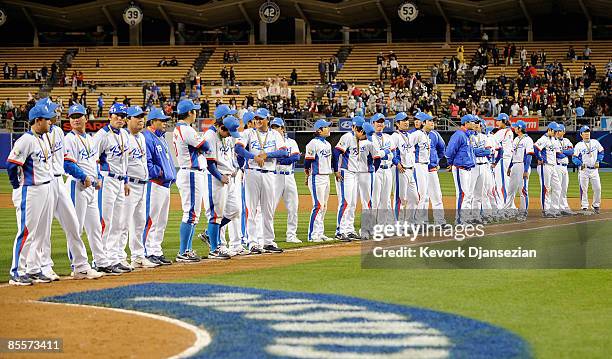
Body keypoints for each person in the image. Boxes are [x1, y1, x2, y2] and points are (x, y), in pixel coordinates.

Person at [36, 99, 102, 281]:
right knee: (44, 227)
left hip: (59, 183)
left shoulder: (57, 132)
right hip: (47, 183)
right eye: (51, 112)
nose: (55, 115)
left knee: (73, 225)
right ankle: (44, 266)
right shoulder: (33, 138)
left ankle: (81, 267)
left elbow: (65, 159)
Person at [6, 104, 55, 285]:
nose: (50, 122)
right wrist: (16, 185)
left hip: (45, 188)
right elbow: (12, 163)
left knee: (40, 233)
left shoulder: (42, 138)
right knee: (26, 231)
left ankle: (33, 269)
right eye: (47, 119)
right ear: (38, 121)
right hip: (31, 189)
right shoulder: (25, 140)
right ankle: (17, 271)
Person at [64, 103, 111, 277]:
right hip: (77, 185)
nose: (76, 119)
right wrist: (85, 177)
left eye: (79, 116)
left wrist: (98, 177)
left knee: (95, 227)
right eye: (72, 117)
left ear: (86, 117)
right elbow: (67, 164)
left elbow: (93, 163)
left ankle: (101, 261)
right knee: (76, 227)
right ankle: (77, 266)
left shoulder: (90, 139)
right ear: (69, 120)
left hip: (90, 187)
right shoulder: (69, 139)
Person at [235, 107, 288, 254]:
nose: (257, 121)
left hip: (270, 173)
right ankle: (252, 242)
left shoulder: (275, 135)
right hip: (252, 172)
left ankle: (268, 241)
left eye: (260, 118)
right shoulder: (248, 133)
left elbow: (284, 152)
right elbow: (238, 149)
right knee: (251, 209)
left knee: (268, 209)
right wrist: (254, 157)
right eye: (256, 119)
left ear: (267, 119)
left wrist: (267, 154)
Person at [93, 103, 132, 274]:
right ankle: (100, 259)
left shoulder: (125, 134)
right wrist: (98, 178)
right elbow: (93, 159)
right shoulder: (102, 135)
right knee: (105, 220)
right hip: (107, 181)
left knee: (118, 222)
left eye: (123, 116)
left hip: (120, 181)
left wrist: (125, 180)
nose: (120, 119)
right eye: (117, 116)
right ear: (110, 116)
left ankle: (114, 258)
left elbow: (125, 161)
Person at [121, 106, 158, 268]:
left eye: (142, 117)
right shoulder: (123, 137)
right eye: (137, 117)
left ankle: (137, 256)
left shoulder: (141, 137)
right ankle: (119, 257)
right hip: (130, 185)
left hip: (143, 184)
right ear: (128, 120)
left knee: (139, 222)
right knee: (123, 222)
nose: (141, 120)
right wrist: (124, 181)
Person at [202, 112, 243, 260]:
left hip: (228, 177)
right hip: (216, 178)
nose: (228, 135)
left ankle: (209, 233)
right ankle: (214, 248)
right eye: (227, 131)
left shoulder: (225, 136)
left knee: (235, 210)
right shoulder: (210, 136)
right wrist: (220, 176)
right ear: (219, 126)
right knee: (215, 215)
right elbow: (209, 163)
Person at [173, 99, 209, 262]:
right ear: (189, 113)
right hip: (191, 173)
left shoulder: (182, 128)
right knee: (190, 213)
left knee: (194, 214)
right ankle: (183, 251)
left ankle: (186, 249)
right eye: (194, 111)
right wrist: (201, 146)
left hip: (192, 173)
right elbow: (206, 145)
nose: (196, 113)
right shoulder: (185, 129)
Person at [142, 107, 176, 265]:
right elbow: (147, 162)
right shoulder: (147, 137)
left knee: (161, 221)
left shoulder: (161, 137)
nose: (165, 123)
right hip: (154, 184)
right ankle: (147, 251)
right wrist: (159, 172)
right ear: (152, 122)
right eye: (161, 120)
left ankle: (156, 250)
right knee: (151, 219)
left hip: (165, 185)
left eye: (165, 120)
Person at [271, 118, 301, 243]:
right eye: (272, 127)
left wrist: (282, 160)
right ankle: (267, 237)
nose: (274, 129)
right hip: (275, 176)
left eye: (276, 127)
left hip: (289, 176)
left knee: (293, 208)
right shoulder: (270, 142)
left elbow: (296, 156)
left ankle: (291, 235)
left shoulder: (291, 142)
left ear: (282, 128)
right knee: (270, 208)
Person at [304, 119, 333, 242]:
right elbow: (307, 161)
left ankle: (320, 232)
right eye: (326, 127)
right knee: (318, 205)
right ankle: (312, 235)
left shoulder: (327, 144)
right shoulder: (313, 143)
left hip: (326, 176)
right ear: (319, 130)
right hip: (317, 176)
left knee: (324, 206)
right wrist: (307, 174)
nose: (329, 129)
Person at [445, 114, 477, 224]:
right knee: (462, 194)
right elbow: (449, 152)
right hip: (460, 168)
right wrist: (450, 163)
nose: (474, 124)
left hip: (467, 168)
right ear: (466, 123)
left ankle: (465, 218)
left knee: (468, 194)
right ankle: (460, 220)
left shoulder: (467, 135)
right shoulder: (459, 135)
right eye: (472, 122)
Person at [391, 112, 418, 223]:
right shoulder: (395, 136)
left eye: (407, 120)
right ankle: (398, 224)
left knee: (415, 198)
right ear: (397, 123)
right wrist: (397, 163)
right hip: (401, 170)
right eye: (403, 120)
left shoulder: (410, 136)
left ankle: (409, 222)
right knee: (400, 199)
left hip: (411, 169)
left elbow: (412, 152)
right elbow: (392, 152)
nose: (406, 122)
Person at [505, 120, 534, 221]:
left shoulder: (528, 140)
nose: (514, 128)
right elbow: (513, 155)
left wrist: (526, 170)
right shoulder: (516, 139)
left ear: (520, 128)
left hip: (522, 165)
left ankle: (523, 213)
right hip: (515, 165)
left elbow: (529, 156)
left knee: (523, 190)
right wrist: (509, 167)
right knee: (511, 189)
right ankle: (507, 210)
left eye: (516, 127)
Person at [369, 113, 394, 227]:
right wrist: (385, 152)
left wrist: (384, 154)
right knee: (374, 200)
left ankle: (382, 225)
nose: (380, 124)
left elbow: (392, 154)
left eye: (382, 122)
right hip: (376, 170)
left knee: (385, 200)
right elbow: (375, 155)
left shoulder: (388, 137)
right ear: (372, 123)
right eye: (377, 121)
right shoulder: (370, 138)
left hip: (387, 170)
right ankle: (371, 225)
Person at [572, 126, 604, 214]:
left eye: (588, 132)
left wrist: (598, 160)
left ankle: (595, 205)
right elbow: (574, 158)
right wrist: (580, 163)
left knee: (598, 188)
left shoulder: (595, 142)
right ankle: (584, 206)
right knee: (584, 189)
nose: (587, 134)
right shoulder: (579, 145)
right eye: (585, 132)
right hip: (584, 170)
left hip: (594, 170)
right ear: (581, 134)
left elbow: (601, 152)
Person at [534, 122, 562, 218]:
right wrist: (540, 158)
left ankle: (554, 209)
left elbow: (558, 153)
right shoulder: (543, 139)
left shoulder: (554, 140)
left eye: (557, 131)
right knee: (546, 188)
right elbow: (536, 148)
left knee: (558, 187)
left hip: (553, 166)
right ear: (549, 130)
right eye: (555, 131)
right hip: (545, 166)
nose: (556, 133)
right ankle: (546, 210)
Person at [410, 112, 433, 224]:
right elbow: (407, 147)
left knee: (425, 195)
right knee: (421, 194)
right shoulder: (417, 134)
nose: (432, 123)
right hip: (418, 165)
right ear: (424, 123)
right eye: (430, 121)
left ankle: (422, 219)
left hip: (425, 166)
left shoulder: (426, 135)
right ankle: (416, 220)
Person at [493, 113, 514, 212]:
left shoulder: (503, 131)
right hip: (506, 159)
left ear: (504, 121)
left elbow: (491, 141)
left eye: (498, 120)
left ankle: (505, 207)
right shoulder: (510, 131)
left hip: (502, 159)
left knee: (501, 183)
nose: (496, 122)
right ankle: (510, 205)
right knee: (506, 182)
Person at [554, 124, 576, 215]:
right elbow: (557, 154)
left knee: (564, 188)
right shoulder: (553, 141)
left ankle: (563, 207)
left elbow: (572, 151)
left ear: (564, 132)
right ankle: (556, 208)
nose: (558, 133)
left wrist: (563, 152)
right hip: (557, 166)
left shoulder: (567, 141)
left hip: (565, 167)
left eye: (560, 131)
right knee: (557, 188)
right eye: (557, 131)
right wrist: (565, 153)